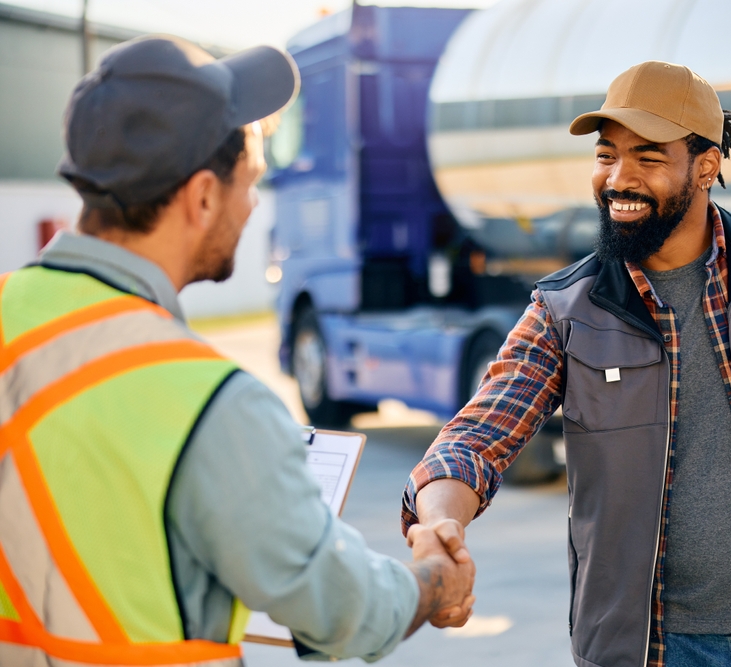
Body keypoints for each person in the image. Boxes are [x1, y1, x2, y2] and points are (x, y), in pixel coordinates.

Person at [402, 61, 731, 667]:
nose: (618, 178)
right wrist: (439, 527)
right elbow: (477, 439)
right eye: (607, 155)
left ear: (706, 165)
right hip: (652, 652)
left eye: (648, 158)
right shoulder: (568, 309)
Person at [0, 35, 473, 666]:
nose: (253, 205)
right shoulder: (206, 403)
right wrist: (435, 579)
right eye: (250, 181)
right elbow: (349, 613)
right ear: (200, 197)